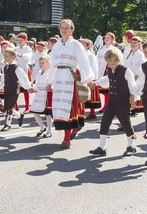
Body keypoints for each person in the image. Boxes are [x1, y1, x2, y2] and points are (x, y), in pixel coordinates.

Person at [46, 19, 94, 149]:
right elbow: (52, 65)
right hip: (59, 77)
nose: (64, 30)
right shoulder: (56, 46)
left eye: (67, 28)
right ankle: (75, 127)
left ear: (71, 30)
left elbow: (84, 62)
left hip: (71, 76)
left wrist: (88, 79)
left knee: (71, 106)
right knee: (60, 105)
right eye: (62, 27)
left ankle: (66, 139)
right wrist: (50, 82)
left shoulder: (76, 45)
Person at [89, 47, 139, 157]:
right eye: (108, 64)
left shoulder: (126, 71)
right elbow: (107, 79)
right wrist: (96, 83)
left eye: (112, 63)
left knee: (126, 123)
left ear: (118, 60)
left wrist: (133, 98)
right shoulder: (110, 70)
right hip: (112, 101)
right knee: (105, 122)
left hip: (123, 102)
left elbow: (133, 85)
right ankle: (102, 147)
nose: (110, 66)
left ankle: (131, 145)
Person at [0, 47, 33, 131]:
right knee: (6, 107)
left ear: (13, 57)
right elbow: (3, 78)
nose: (5, 57)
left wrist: (28, 87)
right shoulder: (5, 68)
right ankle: (19, 116)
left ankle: (8, 124)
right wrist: (0, 86)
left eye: (6, 56)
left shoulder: (17, 68)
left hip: (14, 90)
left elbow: (23, 78)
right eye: (4, 56)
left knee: (9, 107)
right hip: (7, 89)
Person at [30, 54, 53, 138]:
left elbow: (52, 83)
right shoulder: (39, 72)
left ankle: (49, 131)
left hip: (46, 95)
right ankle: (42, 127)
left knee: (47, 114)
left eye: (43, 62)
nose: (41, 64)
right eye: (40, 63)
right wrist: (32, 88)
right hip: (39, 94)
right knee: (34, 111)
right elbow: (37, 84)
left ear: (48, 62)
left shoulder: (50, 73)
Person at [123, 35, 146, 118]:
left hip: (136, 77)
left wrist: (137, 75)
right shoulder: (129, 54)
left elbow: (143, 65)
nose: (133, 44)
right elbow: (125, 64)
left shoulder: (140, 54)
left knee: (134, 92)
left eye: (135, 43)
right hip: (129, 76)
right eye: (132, 43)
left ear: (139, 45)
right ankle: (130, 108)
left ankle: (134, 108)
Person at [80, 38, 101, 120]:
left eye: (83, 44)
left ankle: (92, 113)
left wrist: (92, 79)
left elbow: (94, 67)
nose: (81, 45)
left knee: (90, 97)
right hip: (81, 77)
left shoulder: (90, 55)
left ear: (87, 46)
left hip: (88, 78)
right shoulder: (80, 54)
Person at [96, 32, 115, 113]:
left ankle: (108, 106)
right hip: (101, 69)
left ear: (112, 40)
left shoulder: (113, 49)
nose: (106, 39)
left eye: (108, 38)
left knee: (108, 90)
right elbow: (97, 59)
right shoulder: (101, 48)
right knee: (103, 90)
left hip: (108, 70)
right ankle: (105, 105)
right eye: (105, 38)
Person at [16, 33, 33, 113]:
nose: (20, 42)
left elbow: (28, 57)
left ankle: (27, 107)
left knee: (26, 88)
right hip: (17, 69)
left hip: (25, 69)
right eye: (18, 40)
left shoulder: (28, 49)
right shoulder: (16, 48)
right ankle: (15, 106)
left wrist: (20, 55)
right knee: (15, 88)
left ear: (25, 40)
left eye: (21, 40)